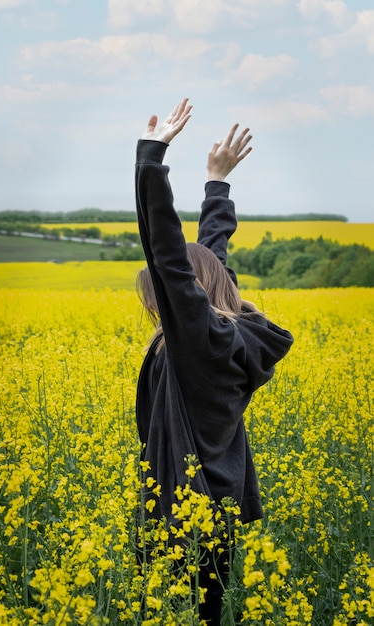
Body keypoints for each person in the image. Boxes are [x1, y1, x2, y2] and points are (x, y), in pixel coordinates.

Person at [134, 98, 294, 625]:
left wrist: (152, 158)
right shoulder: (228, 338)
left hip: (180, 512)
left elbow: (171, 257)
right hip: (219, 507)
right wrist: (216, 183)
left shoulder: (196, 340)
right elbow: (210, 261)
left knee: (169, 613)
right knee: (205, 614)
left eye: (155, 299)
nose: (155, 307)